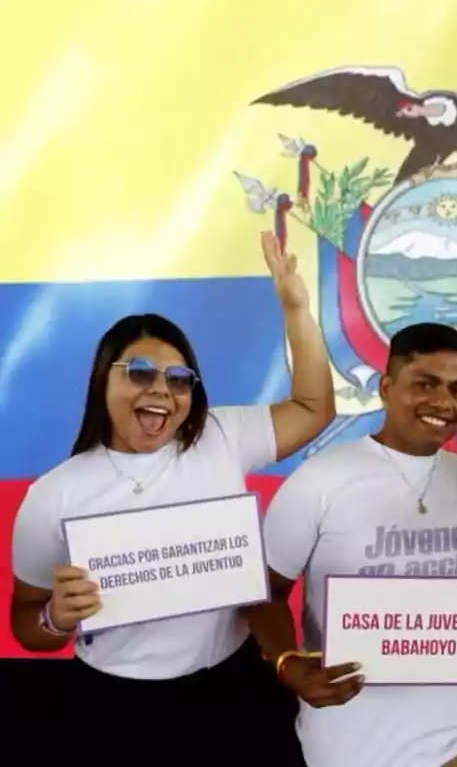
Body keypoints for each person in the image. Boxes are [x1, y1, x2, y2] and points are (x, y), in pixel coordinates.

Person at [8, 231, 334, 763]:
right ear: (102, 382)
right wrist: (56, 620)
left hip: (231, 689)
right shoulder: (54, 495)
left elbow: (314, 406)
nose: (161, 389)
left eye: (179, 379)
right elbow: (28, 624)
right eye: (139, 372)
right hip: (114, 706)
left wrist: (295, 307)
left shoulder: (220, 436)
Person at [246, 322, 457, 767]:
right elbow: (264, 589)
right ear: (386, 387)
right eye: (426, 384)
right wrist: (288, 663)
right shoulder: (321, 479)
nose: (443, 402)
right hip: (351, 743)